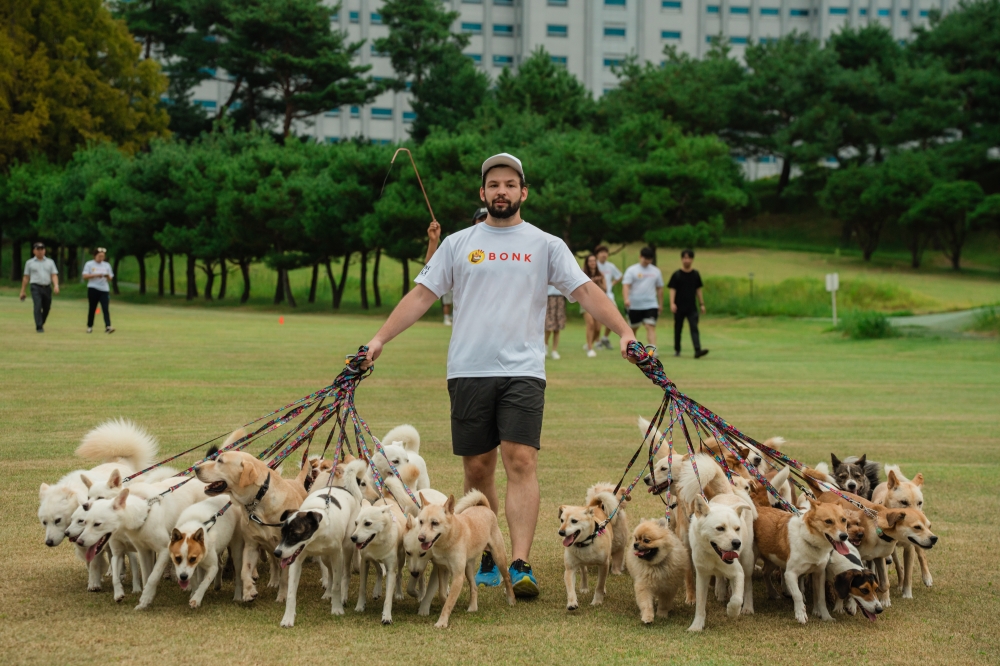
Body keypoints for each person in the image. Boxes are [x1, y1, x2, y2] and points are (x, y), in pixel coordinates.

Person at [361, 153, 636, 597]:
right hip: (468, 370)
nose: (502, 191)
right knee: (477, 465)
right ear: (483, 193)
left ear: (523, 192)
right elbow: (421, 296)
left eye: (510, 184)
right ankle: (488, 550)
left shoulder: (545, 244)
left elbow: (585, 290)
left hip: (523, 371)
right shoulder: (457, 243)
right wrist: (378, 340)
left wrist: (624, 331)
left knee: (521, 461)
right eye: (494, 185)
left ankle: (522, 561)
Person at [427, 208, 488, 326]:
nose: (484, 222)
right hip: (468, 322)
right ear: (474, 222)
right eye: (481, 219)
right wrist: (433, 241)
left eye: (487, 218)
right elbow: (430, 266)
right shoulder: (461, 243)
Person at [668, 248, 709, 359]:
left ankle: (697, 350)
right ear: (682, 259)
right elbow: (672, 289)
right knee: (678, 328)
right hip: (679, 306)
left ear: (692, 259)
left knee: (694, 327)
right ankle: (677, 349)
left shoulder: (695, 274)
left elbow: (698, 290)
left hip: (691, 307)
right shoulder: (677, 275)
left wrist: (702, 304)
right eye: (685, 258)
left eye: (689, 258)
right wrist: (672, 303)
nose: (687, 260)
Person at [622, 247, 664, 353]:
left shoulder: (656, 271)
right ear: (640, 257)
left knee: (650, 326)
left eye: (649, 259)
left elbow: (660, 288)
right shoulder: (632, 270)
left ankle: (652, 351)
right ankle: (632, 350)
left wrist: (660, 304)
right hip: (635, 305)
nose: (647, 261)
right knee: (633, 329)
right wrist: (626, 299)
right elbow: (626, 286)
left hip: (651, 304)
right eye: (645, 258)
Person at [19, 242, 60, 333]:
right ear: (34, 251)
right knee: (37, 306)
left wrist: (56, 285)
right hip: (35, 287)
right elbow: (26, 277)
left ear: (45, 251)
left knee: (47, 307)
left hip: (47, 287)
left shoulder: (50, 262)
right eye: (38, 249)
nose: (40, 251)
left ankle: (41, 321)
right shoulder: (29, 263)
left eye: (42, 249)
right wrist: (22, 291)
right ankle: (39, 327)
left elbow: (54, 275)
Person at [82, 247, 116, 334]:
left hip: (104, 289)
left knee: (105, 308)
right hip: (93, 288)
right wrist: (96, 275)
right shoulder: (89, 264)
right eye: (99, 256)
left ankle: (108, 326)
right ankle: (89, 326)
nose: (101, 258)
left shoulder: (106, 265)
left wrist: (107, 276)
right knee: (92, 308)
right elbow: (85, 276)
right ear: (95, 256)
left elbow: (110, 278)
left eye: (103, 256)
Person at [595, 245, 622, 350]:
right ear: (597, 254)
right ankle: (596, 341)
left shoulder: (610, 266)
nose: (604, 255)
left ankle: (605, 338)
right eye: (601, 252)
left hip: (608, 295)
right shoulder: (593, 265)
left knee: (614, 317)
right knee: (596, 321)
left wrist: (612, 284)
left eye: (605, 252)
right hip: (595, 296)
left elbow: (619, 276)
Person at [581, 254, 606, 358]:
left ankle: (589, 343)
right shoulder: (582, 274)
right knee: (590, 324)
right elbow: (581, 290)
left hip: (597, 303)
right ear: (587, 263)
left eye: (594, 261)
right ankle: (590, 349)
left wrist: (598, 282)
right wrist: (591, 283)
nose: (592, 263)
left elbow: (605, 289)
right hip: (586, 302)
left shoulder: (600, 274)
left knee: (598, 328)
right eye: (590, 261)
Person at [544, 284, 565, 360]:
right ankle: (545, 347)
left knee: (557, 328)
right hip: (549, 297)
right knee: (548, 327)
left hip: (559, 298)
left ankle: (554, 351)